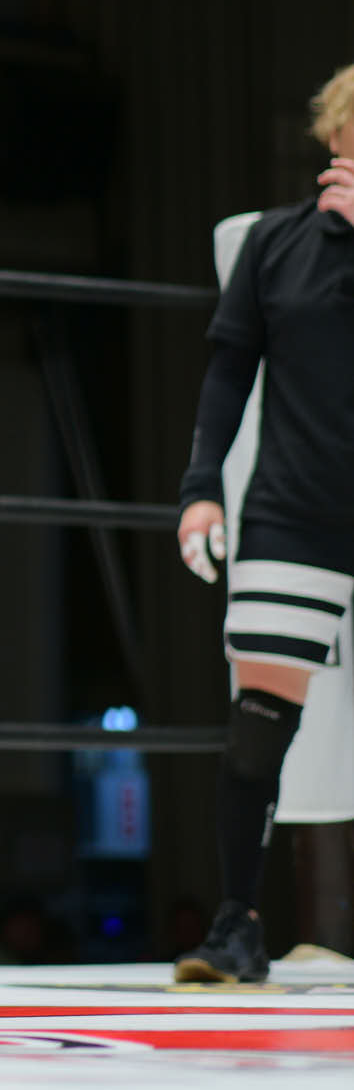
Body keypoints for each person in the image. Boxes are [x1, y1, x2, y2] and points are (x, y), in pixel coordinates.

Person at [173, 64, 354, 983]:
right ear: (336, 135)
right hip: (297, 509)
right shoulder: (277, 245)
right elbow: (229, 368)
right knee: (259, 723)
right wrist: (202, 486)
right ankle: (236, 923)